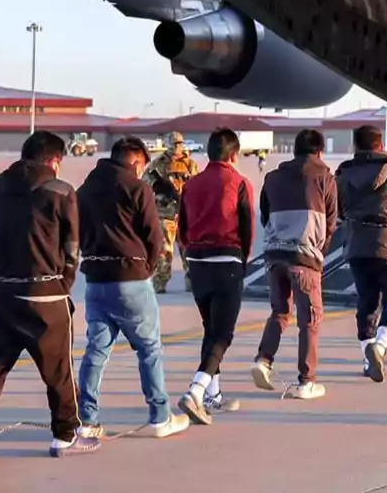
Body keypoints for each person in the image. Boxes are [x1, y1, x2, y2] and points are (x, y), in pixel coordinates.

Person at [0, 132, 94, 464]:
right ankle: (64, 435)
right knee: (58, 370)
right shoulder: (61, 192)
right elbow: (72, 246)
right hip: (46, 295)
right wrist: (64, 282)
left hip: (3, 291)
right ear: (54, 160)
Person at [76, 137, 190, 438]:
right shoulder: (138, 188)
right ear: (136, 162)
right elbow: (154, 237)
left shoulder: (84, 190)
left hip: (95, 280)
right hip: (130, 280)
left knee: (96, 352)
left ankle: (87, 421)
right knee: (149, 349)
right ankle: (160, 416)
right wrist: (146, 269)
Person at [175, 128, 255, 423]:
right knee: (223, 333)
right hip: (226, 260)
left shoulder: (191, 184)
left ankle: (213, 394)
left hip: (196, 262)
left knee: (210, 328)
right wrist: (242, 260)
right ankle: (196, 391)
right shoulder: (239, 182)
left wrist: (189, 253)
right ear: (234, 155)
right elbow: (247, 227)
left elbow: (181, 227)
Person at [251, 129, 338, 400]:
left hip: (275, 254)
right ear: (320, 151)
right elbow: (332, 221)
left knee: (279, 311)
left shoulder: (272, 177)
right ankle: (306, 380)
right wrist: (319, 250)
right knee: (310, 320)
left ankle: (263, 360)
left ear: (294, 150)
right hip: (305, 257)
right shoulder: (324, 176)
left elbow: (264, 215)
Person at [336, 125, 387, 383]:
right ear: (380, 144)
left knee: (367, 301)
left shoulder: (343, 173)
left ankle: (367, 355)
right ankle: (380, 347)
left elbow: (336, 208)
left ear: (355, 146)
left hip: (357, 244)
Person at [144, 132, 200, 293]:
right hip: (164, 213)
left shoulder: (190, 164)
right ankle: (159, 284)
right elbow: (145, 184)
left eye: (179, 144)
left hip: (185, 213)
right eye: (174, 144)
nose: (177, 147)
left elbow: (197, 185)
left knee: (188, 250)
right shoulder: (157, 165)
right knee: (164, 252)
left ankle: (192, 283)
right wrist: (159, 188)